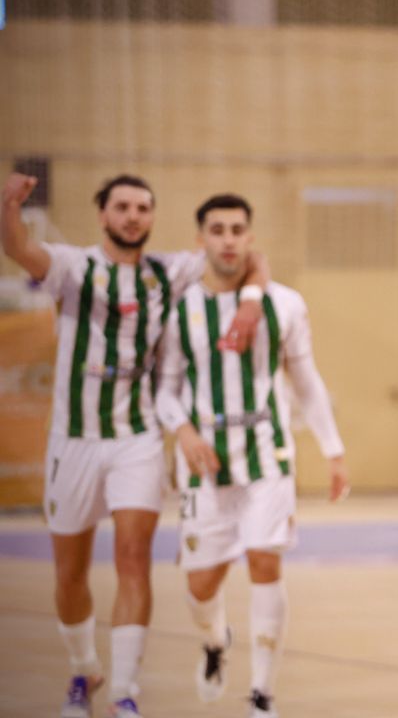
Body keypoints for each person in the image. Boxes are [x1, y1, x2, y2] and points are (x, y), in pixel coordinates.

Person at [0, 172, 267, 718]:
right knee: (69, 573)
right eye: (122, 207)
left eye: (143, 208)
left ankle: (125, 690)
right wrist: (9, 206)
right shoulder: (75, 267)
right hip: (72, 439)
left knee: (132, 558)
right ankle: (84, 671)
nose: (132, 216)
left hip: (138, 437)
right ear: (103, 214)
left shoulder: (169, 270)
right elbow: (19, 248)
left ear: (151, 217)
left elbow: (246, 258)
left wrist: (251, 303)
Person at [155, 194, 349, 718]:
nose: (228, 239)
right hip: (203, 461)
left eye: (237, 229)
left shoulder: (283, 303)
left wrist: (333, 450)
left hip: (267, 452)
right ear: (201, 240)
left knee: (265, 561)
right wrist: (184, 432)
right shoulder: (180, 309)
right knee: (201, 583)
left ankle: (262, 692)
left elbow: (305, 382)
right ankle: (216, 639)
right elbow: (166, 387)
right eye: (216, 230)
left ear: (250, 237)